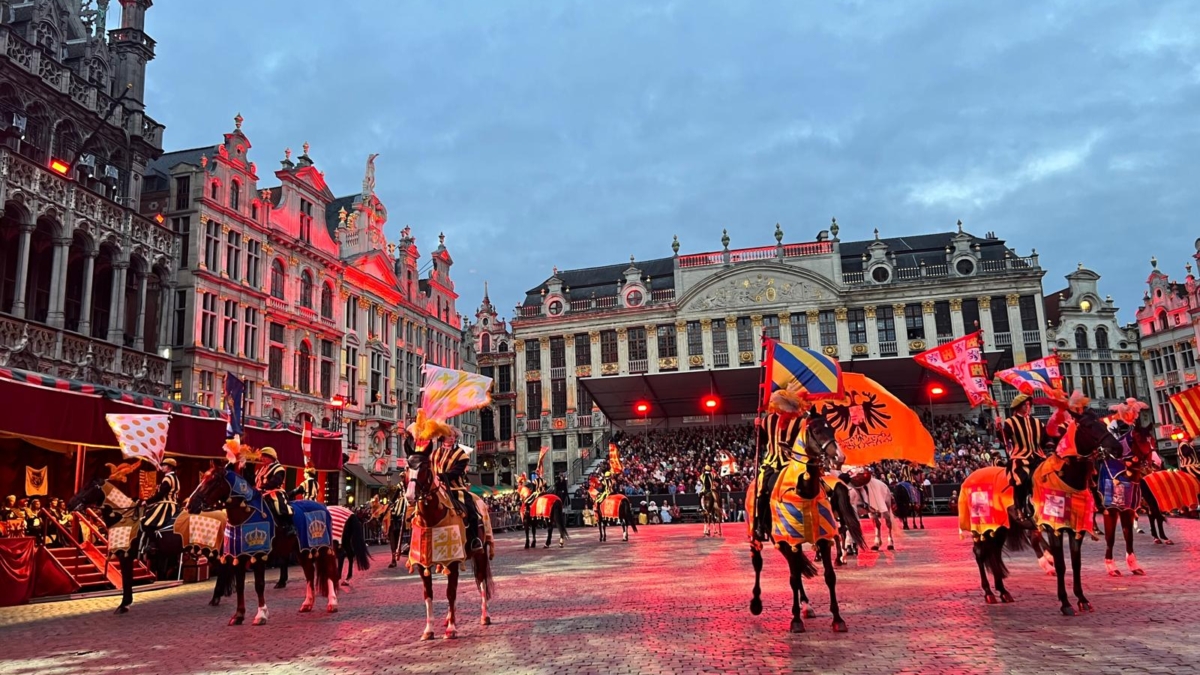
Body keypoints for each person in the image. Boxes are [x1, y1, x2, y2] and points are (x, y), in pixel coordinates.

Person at [753, 381, 807, 542]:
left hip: (792, 462)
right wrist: (757, 429)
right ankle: (761, 526)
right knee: (761, 490)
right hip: (771, 461)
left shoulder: (799, 421)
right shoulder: (767, 420)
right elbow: (761, 442)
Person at [997, 394, 1049, 522]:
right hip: (1020, 456)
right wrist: (999, 428)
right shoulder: (1010, 422)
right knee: (1021, 478)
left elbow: (1045, 439)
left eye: (1029, 404)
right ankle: (1019, 507)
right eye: (1025, 405)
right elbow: (1004, 439)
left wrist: (1050, 444)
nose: (1028, 407)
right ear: (1018, 407)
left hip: (1039, 455)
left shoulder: (1037, 422)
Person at [429, 438, 483, 552]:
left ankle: (474, 538)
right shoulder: (434, 453)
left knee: (471, 511)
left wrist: (442, 476)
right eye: (448, 435)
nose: (451, 438)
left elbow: (456, 472)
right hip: (437, 489)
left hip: (456, 488)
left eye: (453, 436)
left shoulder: (461, 455)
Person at [255, 447, 294, 534]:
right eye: (262, 456)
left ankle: (288, 525)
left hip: (274, 492)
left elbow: (275, 482)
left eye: (265, 456)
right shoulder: (261, 469)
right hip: (260, 493)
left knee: (278, 505)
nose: (262, 458)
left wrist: (262, 488)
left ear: (271, 457)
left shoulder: (279, 469)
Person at [142, 458, 180, 531]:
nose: (162, 467)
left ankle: (152, 541)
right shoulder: (175, 478)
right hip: (174, 504)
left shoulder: (167, 478)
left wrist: (147, 501)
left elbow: (160, 495)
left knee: (147, 522)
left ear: (170, 467)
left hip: (167, 505)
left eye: (164, 465)